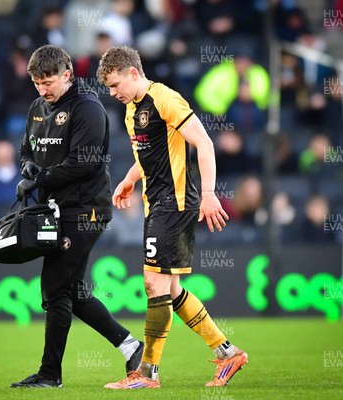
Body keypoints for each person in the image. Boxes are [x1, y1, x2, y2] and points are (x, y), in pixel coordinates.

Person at [97, 46, 248, 389]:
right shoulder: (132, 109)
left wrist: (209, 196)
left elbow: (204, 144)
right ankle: (228, 353)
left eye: (115, 84)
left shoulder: (165, 98)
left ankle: (147, 374)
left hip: (176, 204)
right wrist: (129, 180)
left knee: (154, 285)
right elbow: (151, 154)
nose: (112, 93)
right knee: (172, 290)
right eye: (108, 88)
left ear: (133, 73)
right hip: (156, 205)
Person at [10, 45, 143, 389]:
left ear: (67, 74)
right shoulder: (38, 108)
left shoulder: (88, 108)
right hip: (56, 210)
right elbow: (26, 150)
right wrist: (27, 166)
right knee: (72, 290)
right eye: (36, 83)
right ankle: (130, 345)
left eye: (48, 82)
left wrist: (37, 178)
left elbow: (83, 163)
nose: (42, 90)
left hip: (86, 210)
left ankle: (50, 375)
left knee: (55, 290)